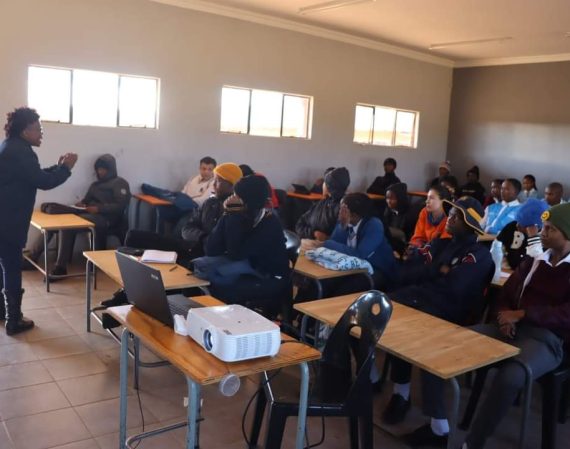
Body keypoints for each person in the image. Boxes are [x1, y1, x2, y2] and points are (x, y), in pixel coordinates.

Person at [382, 197, 494, 447]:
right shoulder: (440, 244)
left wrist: (431, 272)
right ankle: (401, 394)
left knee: (414, 332)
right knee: (384, 309)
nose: (449, 218)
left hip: (451, 314)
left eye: (456, 216)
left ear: (469, 224)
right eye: (450, 213)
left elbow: (454, 289)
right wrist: (437, 270)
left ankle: (439, 429)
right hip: (421, 300)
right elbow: (407, 271)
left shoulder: (478, 255)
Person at [460, 203, 570, 449]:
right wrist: (503, 316)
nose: (542, 232)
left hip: (547, 339)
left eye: (550, 229)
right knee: (458, 339)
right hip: (511, 328)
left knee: (511, 376)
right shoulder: (535, 260)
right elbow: (506, 294)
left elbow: (566, 314)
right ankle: (437, 425)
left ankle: (473, 442)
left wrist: (522, 314)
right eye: (544, 227)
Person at [0, 107, 77, 335]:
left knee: (5, 266)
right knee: (12, 267)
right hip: (8, 222)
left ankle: (4, 312)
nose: (41, 133)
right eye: (38, 129)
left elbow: (34, 175)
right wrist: (66, 168)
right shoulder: (21, 152)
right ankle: (14, 320)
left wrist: (59, 167)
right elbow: (44, 182)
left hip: (4, 219)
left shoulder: (11, 146)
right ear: (25, 131)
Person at [30, 154, 130, 277]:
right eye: (98, 169)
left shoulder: (119, 183)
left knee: (67, 226)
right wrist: (82, 204)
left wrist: (99, 209)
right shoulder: (95, 185)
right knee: (56, 224)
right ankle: (33, 256)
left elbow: (120, 205)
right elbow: (86, 200)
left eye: (103, 169)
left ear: (110, 169)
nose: (100, 172)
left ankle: (60, 267)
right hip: (88, 213)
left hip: (107, 218)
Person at [124, 163, 243, 265]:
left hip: (204, 254)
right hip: (191, 245)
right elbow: (187, 228)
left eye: (218, 181)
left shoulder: (237, 210)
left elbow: (221, 245)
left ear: (232, 186)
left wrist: (204, 240)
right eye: (214, 180)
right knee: (133, 236)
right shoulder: (210, 203)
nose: (214, 185)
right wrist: (202, 237)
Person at [202, 175, 290, 309]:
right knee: (203, 281)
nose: (232, 199)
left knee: (220, 290)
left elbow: (236, 253)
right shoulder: (242, 214)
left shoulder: (269, 222)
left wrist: (233, 216)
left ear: (249, 201)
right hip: (246, 269)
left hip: (268, 276)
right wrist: (226, 215)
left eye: (237, 196)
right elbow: (211, 249)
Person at [301, 193, 397, 293]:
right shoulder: (344, 221)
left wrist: (324, 244)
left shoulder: (374, 225)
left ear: (354, 215)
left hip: (376, 268)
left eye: (342, 209)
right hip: (352, 266)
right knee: (319, 283)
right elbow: (333, 246)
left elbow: (360, 254)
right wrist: (342, 227)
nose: (339, 212)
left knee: (346, 288)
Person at [140, 156, 217, 228]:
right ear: (199, 168)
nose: (206, 172)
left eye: (210, 169)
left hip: (195, 208)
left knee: (172, 196)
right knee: (159, 210)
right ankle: (157, 236)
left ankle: (153, 191)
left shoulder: (215, 183)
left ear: (214, 170)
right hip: (182, 204)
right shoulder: (194, 178)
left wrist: (184, 200)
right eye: (204, 169)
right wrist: (181, 200)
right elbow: (184, 191)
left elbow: (203, 201)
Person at [295, 167, 350, 241]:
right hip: (308, 243)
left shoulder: (343, 208)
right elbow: (299, 225)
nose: (322, 184)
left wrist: (326, 239)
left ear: (329, 186)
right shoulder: (321, 203)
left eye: (325, 182)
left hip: (323, 247)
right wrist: (313, 233)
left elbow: (341, 238)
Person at [497, 198, 547, 269]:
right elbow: (497, 246)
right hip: (505, 269)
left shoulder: (545, 239)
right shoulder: (512, 226)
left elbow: (536, 264)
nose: (517, 225)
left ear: (535, 227)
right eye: (518, 220)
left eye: (522, 223)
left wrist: (533, 238)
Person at [383, 183, 418, 255]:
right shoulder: (389, 209)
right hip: (391, 241)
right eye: (387, 198)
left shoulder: (411, 213)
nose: (388, 201)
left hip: (404, 245)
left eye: (392, 198)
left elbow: (408, 235)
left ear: (400, 198)